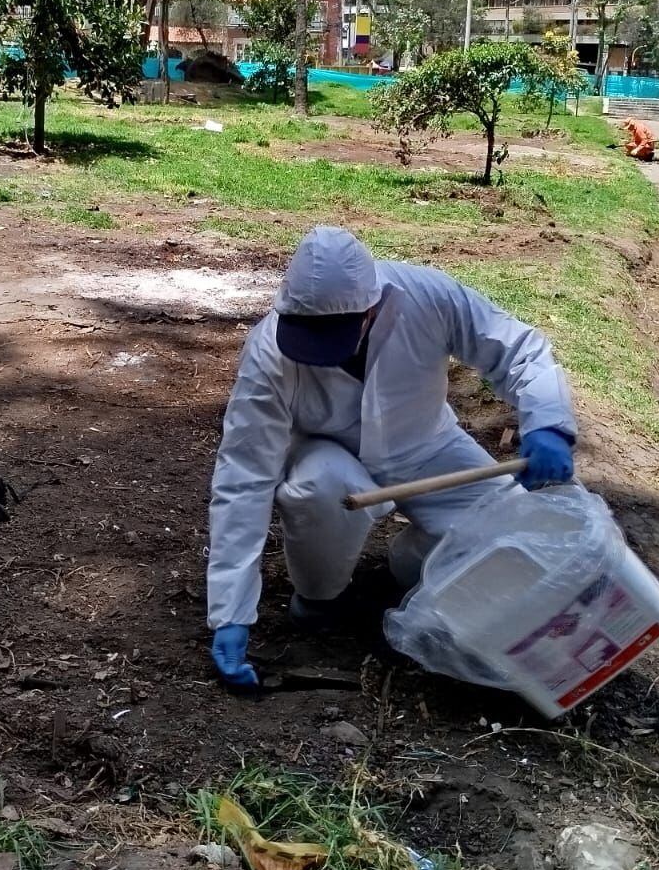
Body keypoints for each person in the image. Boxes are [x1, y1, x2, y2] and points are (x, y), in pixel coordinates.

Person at [205, 226, 578, 690]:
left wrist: (547, 423)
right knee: (320, 485)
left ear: (372, 307)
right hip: (330, 455)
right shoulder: (269, 352)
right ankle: (320, 597)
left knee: (511, 541)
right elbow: (244, 476)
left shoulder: (427, 296)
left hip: (427, 445)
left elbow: (517, 348)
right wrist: (230, 611)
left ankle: (408, 565)